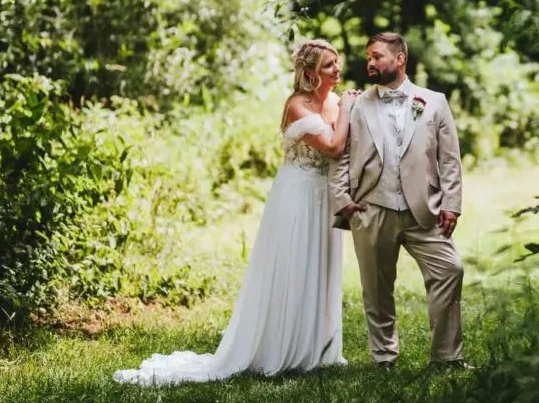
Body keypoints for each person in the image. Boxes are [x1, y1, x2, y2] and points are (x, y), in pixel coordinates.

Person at [114, 39, 359, 385]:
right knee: (294, 266)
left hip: (325, 198)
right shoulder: (297, 106)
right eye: (328, 65)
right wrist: (350, 108)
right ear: (309, 73)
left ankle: (318, 350)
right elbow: (333, 146)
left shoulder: (336, 101)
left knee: (321, 267)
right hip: (297, 195)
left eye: (336, 63)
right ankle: (279, 349)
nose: (337, 70)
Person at [329, 32, 471, 373]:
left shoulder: (434, 101)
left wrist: (452, 203)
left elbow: (450, 159)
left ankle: (447, 357)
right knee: (376, 289)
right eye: (369, 57)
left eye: (377, 56)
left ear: (400, 59)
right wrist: (343, 200)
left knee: (450, 270)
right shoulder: (357, 103)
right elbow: (340, 156)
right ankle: (384, 359)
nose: (370, 63)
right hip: (372, 208)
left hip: (425, 209)